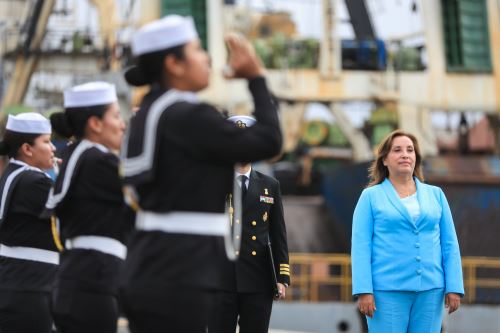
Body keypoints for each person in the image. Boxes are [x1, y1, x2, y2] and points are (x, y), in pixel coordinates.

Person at [120, 15, 282, 333]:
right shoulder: (187, 116)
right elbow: (270, 140)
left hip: (157, 264)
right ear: (173, 63)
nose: (207, 57)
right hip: (180, 270)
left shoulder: (152, 111)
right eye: (197, 49)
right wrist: (255, 77)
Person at [351, 129, 464, 332]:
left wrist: (454, 286)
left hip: (431, 290)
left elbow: (449, 243)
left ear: (416, 158)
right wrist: (363, 291)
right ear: (384, 159)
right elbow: (361, 247)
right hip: (386, 291)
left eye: (410, 150)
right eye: (397, 150)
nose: (405, 154)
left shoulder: (436, 195)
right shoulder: (370, 197)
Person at [44, 81, 134, 333]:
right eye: (116, 116)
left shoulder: (79, 155)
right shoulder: (98, 160)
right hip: (94, 281)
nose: (122, 124)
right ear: (95, 123)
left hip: (78, 278)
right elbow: (146, 200)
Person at [209, 115, 290, 333]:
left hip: (258, 280)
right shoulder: (213, 181)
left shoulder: (270, 185)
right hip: (220, 278)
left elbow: (278, 233)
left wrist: (282, 277)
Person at [0, 113, 58, 333]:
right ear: (27, 148)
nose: (53, 148)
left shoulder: (16, 174)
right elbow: (73, 211)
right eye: (46, 141)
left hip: (19, 282)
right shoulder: (32, 182)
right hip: (29, 287)